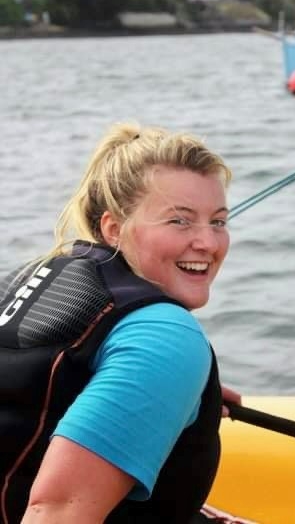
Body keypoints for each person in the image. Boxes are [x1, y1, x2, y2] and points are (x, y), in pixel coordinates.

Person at [0, 122, 241, 524]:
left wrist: (173, 395)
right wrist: (166, 365)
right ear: (113, 229)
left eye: (217, 221)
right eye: (179, 221)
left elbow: (32, 393)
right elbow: (54, 512)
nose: (209, 243)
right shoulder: (165, 338)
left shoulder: (27, 279)